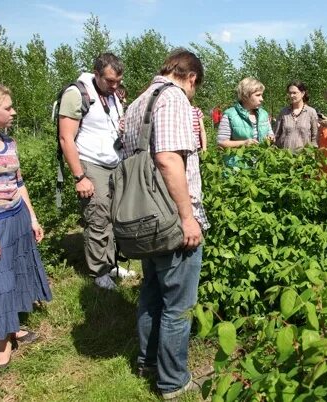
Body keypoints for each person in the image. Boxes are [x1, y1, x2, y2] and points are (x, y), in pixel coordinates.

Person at [121, 48, 208, 400]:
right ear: (191, 78)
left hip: (145, 217)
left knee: (152, 292)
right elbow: (169, 159)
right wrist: (188, 218)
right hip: (171, 218)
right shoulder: (173, 99)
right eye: (195, 87)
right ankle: (173, 382)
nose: (193, 93)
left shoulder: (138, 101)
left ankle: (148, 361)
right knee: (178, 303)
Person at [0, 82, 52, 373]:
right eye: (8, 107)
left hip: (16, 218)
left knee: (15, 276)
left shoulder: (9, 142)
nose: (14, 111)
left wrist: (31, 217)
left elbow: (18, 183)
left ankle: (11, 327)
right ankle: (2, 347)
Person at [58, 53, 135, 290]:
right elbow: (65, 138)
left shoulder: (112, 95)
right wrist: (80, 177)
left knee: (114, 217)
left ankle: (110, 264)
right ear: (96, 73)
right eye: (110, 81)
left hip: (115, 163)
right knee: (98, 217)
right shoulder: (77, 94)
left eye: (118, 81)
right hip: (91, 164)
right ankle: (98, 271)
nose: (114, 86)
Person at [217, 77, 274, 149]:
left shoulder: (264, 114)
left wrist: (271, 138)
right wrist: (243, 143)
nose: (262, 99)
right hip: (239, 159)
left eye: (262, 95)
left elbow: (270, 134)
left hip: (261, 159)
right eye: (258, 95)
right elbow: (222, 142)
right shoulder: (230, 115)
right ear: (245, 96)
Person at [274, 81, 318, 151]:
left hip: (304, 157)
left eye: (294, 93)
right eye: (290, 93)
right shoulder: (283, 112)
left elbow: (315, 137)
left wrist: (312, 153)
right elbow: (276, 134)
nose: (291, 96)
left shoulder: (311, 112)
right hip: (284, 156)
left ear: (302, 93)